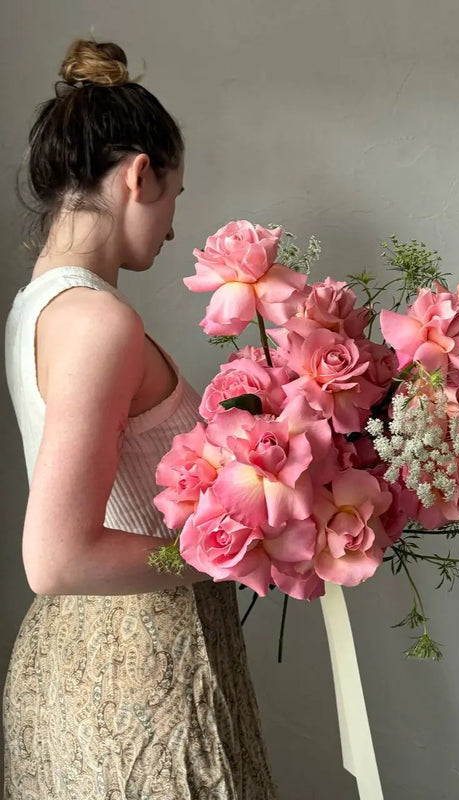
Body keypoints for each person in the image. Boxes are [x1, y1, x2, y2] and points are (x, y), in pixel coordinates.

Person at [3, 38, 278, 800]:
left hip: (82, 666)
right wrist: (243, 552)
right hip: (138, 683)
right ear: (137, 175)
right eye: (175, 196)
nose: (172, 226)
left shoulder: (35, 307)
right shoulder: (97, 323)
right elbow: (57, 560)